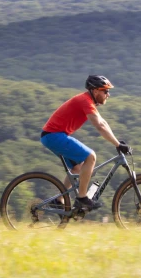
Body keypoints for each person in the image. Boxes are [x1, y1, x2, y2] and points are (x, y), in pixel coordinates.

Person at [41, 75, 131, 211]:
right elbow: (99, 127)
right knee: (91, 156)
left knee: (78, 167)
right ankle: (82, 198)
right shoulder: (85, 101)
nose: (108, 95)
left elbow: (103, 123)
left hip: (52, 136)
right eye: (105, 91)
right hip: (54, 136)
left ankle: (59, 200)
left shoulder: (88, 101)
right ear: (95, 91)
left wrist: (117, 142)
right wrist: (117, 145)